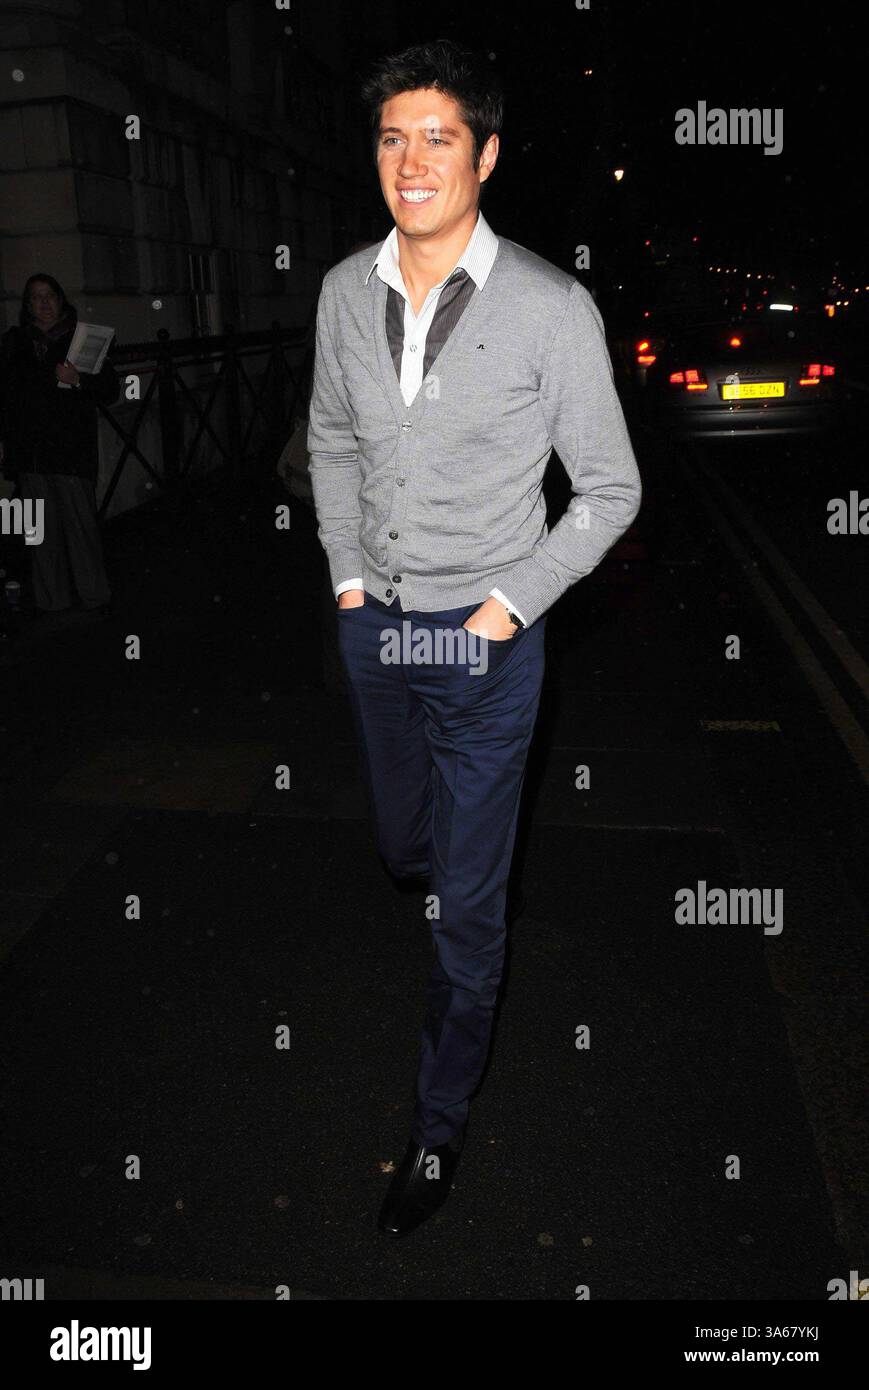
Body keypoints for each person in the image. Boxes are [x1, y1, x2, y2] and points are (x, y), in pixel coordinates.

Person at [307, 39, 642, 1237]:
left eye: (437, 137)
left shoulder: (552, 308)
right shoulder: (343, 291)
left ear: (485, 154)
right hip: (376, 632)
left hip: (486, 646)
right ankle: (451, 875)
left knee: (469, 906)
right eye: (393, 136)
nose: (411, 160)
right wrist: (349, 585)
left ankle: (436, 1127)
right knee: (411, 853)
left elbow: (608, 491)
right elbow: (333, 446)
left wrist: (505, 606)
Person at [0, 273, 119, 618]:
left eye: (50, 295)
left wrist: (79, 379)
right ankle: (52, 600)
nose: (45, 304)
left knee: (80, 528)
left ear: (61, 299)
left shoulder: (81, 339)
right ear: (27, 305)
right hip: (31, 453)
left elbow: (110, 389)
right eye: (37, 297)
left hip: (69, 451)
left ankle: (95, 597)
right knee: (41, 535)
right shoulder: (15, 342)